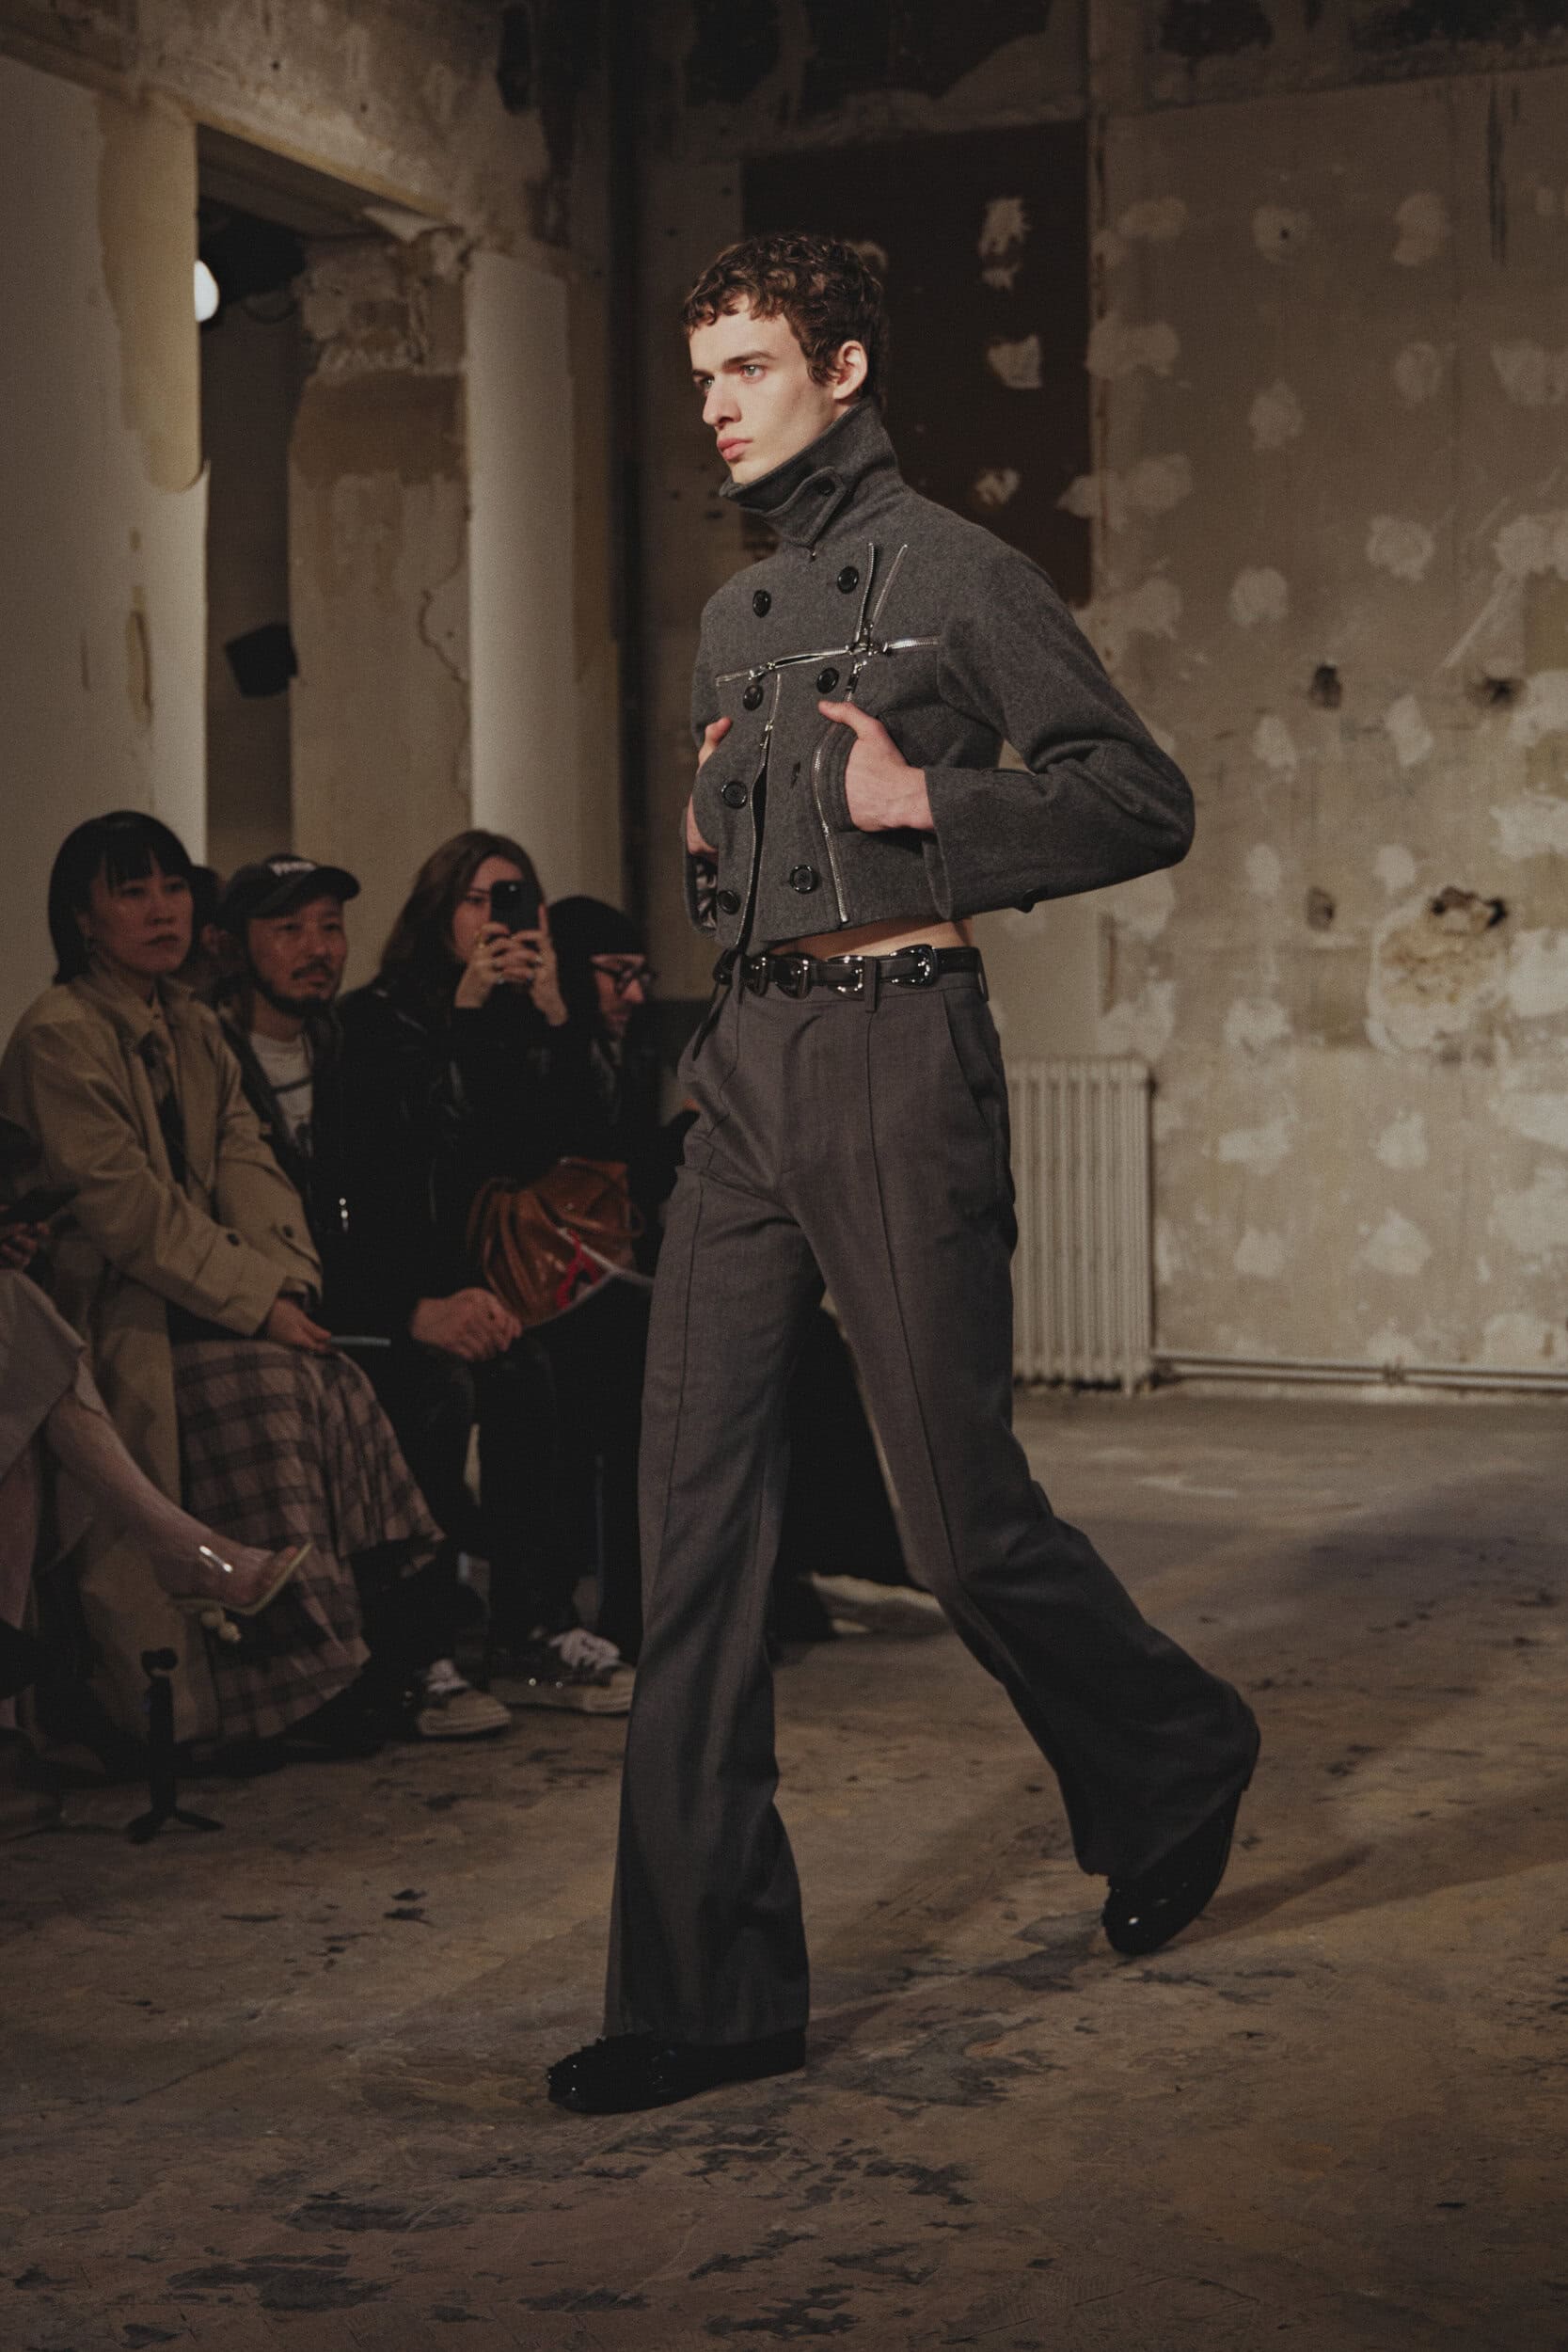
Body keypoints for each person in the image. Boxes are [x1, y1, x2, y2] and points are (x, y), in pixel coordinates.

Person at [548, 233, 1259, 2115]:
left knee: (951, 1522)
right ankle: (707, 1995)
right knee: (688, 1525)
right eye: (701, 374)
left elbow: (1137, 795)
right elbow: (749, 859)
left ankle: (1171, 1755)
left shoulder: (959, 574)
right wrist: (716, 830)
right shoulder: (731, 614)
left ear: (842, 367)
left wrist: (925, 800)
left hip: (892, 1051)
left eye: (748, 367)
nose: (714, 407)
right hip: (743, 1065)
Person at [0, 812, 451, 1761]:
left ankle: (345, 1657)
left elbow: (250, 1162)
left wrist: (286, 1284)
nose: (162, 911)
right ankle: (279, 1687)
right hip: (108, 1316)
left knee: (328, 1377)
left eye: (172, 888)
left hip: (199, 1306)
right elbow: (128, 1215)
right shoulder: (59, 1036)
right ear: (82, 918)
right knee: (275, 1388)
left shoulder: (194, 1026)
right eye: (132, 892)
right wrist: (257, 1303)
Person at [546, 894, 940, 1652]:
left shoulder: (620, 1050)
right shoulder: (556, 1046)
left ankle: (819, 1566)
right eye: (615, 974)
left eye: (639, 974)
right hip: (567, 1286)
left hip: (616, 1270)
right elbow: (588, 1170)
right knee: (708, 1352)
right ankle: (723, 1598)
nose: (634, 993)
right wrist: (696, 1125)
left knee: (803, 1337)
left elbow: (631, 1179)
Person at [210, 850, 508, 1741]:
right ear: (236, 944)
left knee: (522, 1363)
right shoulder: (212, 1054)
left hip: (353, 1303)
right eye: (288, 928)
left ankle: (526, 1629)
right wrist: (404, 1315)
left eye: (330, 927)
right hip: (257, 1309)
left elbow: (395, 1207)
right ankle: (416, 1655)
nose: (317, 948)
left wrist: (438, 1297)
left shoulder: (352, 1050)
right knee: (430, 1386)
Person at [334, 832, 634, 1712]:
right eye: (477, 899)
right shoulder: (380, 1017)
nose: (496, 919)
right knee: (458, 1386)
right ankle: (423, 1644)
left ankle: (535, 1627)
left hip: (503, 1271)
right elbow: (417, 1159)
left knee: (580, 1361)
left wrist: (556, 1018)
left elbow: (589, 1143)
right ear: (439, 911)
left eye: (514, 899)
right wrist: (463, 1018)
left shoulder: (527, 1012)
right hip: (402, 1273)